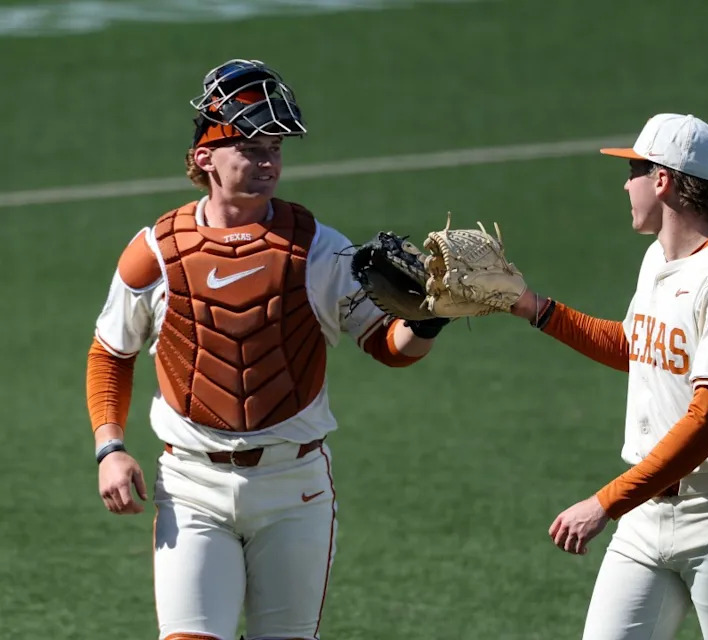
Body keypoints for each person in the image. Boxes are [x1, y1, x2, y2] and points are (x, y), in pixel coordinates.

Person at [85, 58, 447, 640]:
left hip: (294, 488)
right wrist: (111, 448)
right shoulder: (154, 253)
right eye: (251, 148)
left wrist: (432, 316)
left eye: (274, 149)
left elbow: (388, 347)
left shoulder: (319, 250)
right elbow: (110, 352)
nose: (268, 163)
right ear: (205, 157)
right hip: (191, 486)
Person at [508, 113, 708, 640]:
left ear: (662, 180)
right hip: (645, 517)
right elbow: (635, 347)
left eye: (633, 171)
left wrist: (604, 503)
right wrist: (532, 307)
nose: (626, 184)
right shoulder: (657, 260)